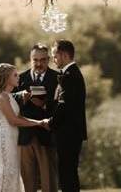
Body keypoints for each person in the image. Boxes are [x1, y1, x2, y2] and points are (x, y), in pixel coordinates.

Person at [0, 63, 48, 192]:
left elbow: (19, 118)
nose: (19, 77)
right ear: (6, 78)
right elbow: (14, 121)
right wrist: (38, 123)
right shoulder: (2, 98)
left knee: (12, 174)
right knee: (5, 173)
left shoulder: (10, 96)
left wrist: (38, 121)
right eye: (15, 75)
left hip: (13, 138)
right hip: (5, 140)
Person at [13, 43, 59, 192]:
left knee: (49, 181)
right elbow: (8, 100)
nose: (39, 63)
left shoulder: (57, 78)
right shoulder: (20, 78)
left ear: (49, 59)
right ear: (30, 59)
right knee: (27, 182)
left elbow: (62, 107)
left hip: (47, 135)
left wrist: (45, 105)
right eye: (35, 60)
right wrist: (22, 98)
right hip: (25, 136)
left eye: (43, 60)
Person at [47, 40, 87, 192]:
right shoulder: (70, 74)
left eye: (54, 56)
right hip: (69, 132)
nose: (53, 59)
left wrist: (50, 122)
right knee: (67, 172)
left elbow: (64, 106)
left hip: (69, 133)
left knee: (67, 173)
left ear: (63, 55)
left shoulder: (70, 75)